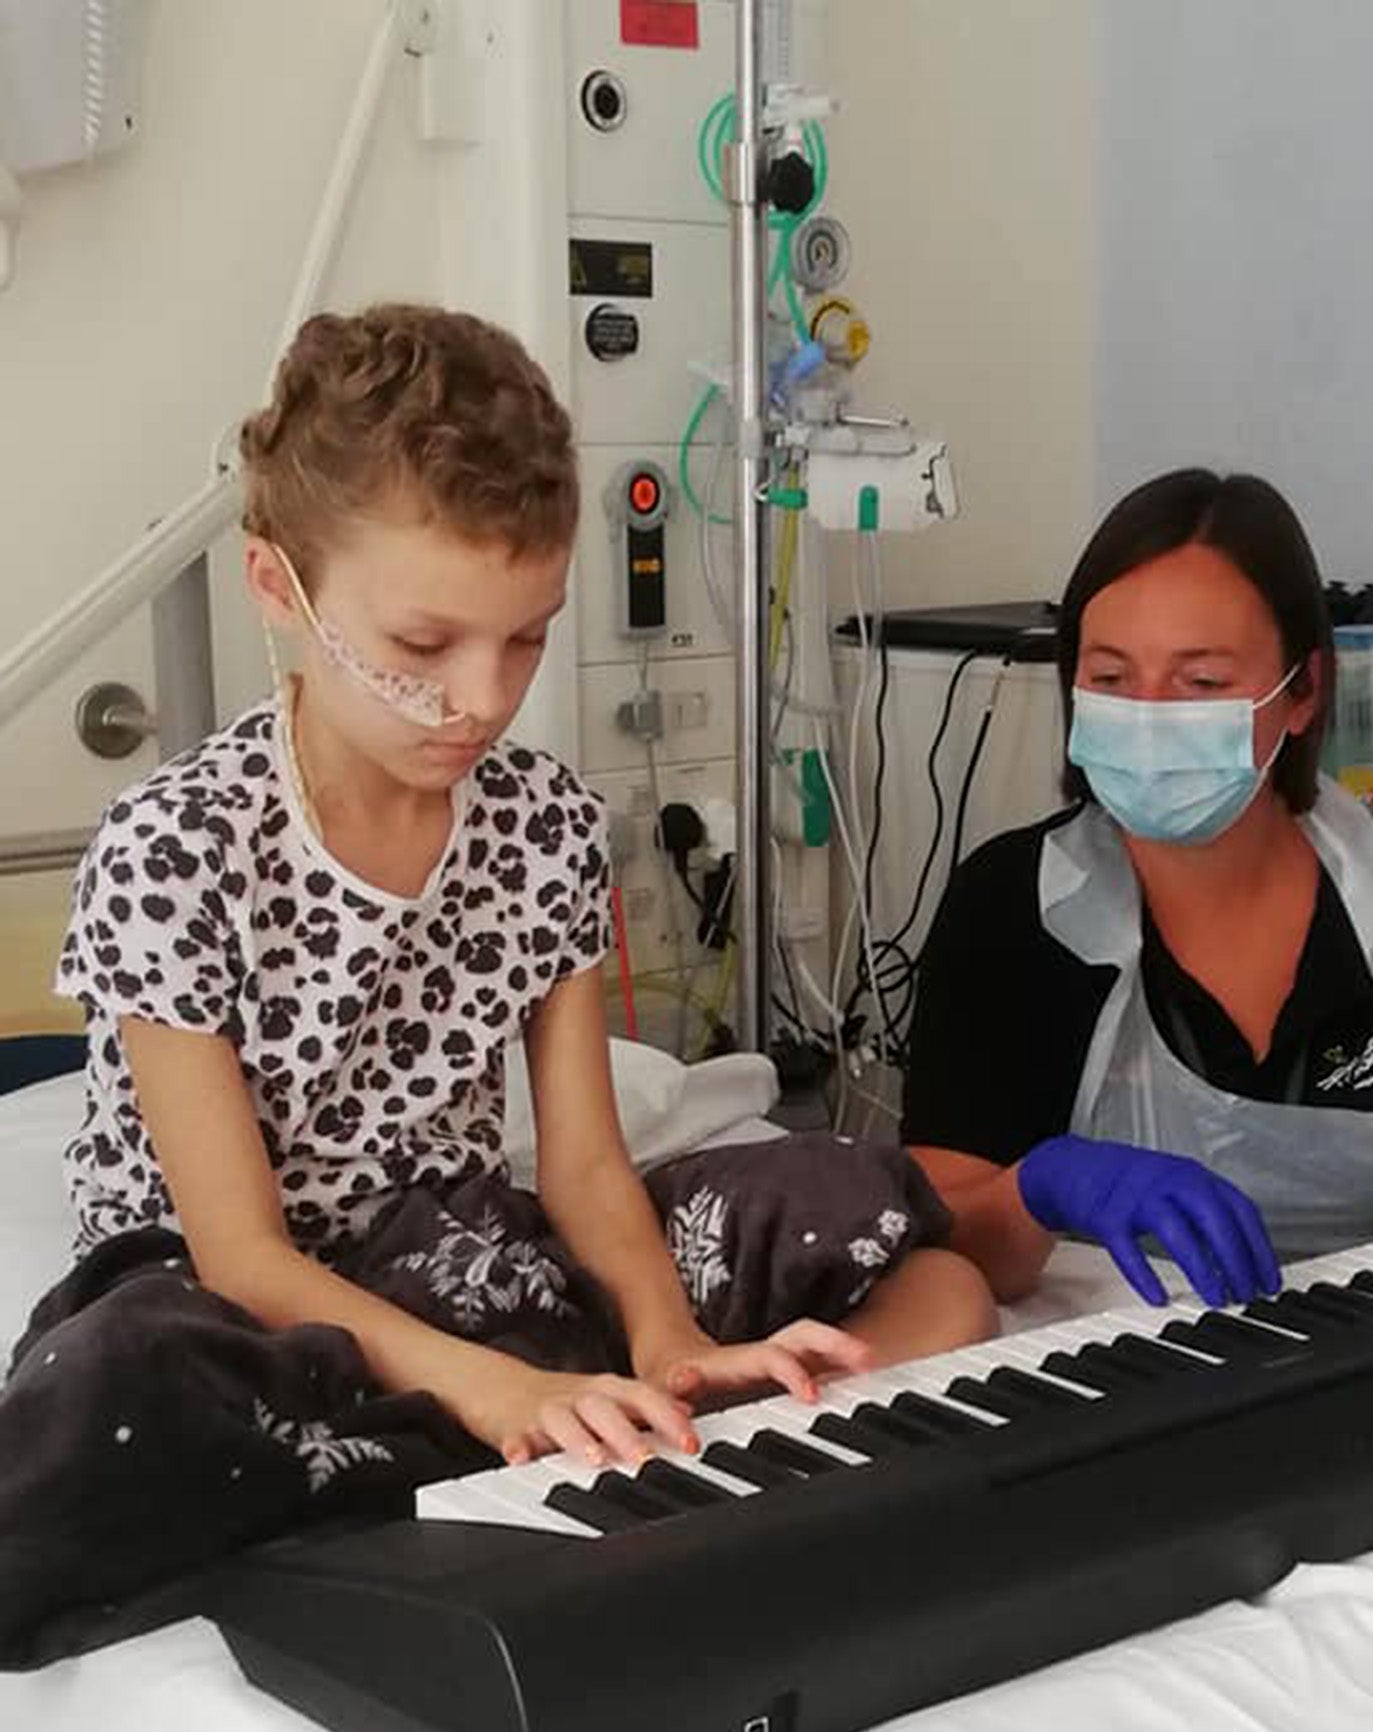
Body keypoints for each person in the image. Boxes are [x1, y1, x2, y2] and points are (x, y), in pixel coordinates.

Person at [0, 304, 996, 1661]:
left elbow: (585, 1169)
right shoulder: (176, 847)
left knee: (876, 1223)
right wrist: (500, 1392)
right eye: (424, 649)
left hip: (461, 1252)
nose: (481, 700)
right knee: (111, 1401)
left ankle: (611, 1420)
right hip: (241, 1306)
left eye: (525, 639)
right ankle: (501, 1432)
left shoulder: (541, 824)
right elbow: (240, 1251)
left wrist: (664, 1334)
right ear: (279, 590)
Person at [902, 467, 1373, 1310]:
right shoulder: (1013, 908)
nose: (1151, 714)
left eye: (1201, 684)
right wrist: (1039, 1189)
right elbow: (932, 1252)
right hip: (1094, 1385)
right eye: (1113, 678)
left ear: (1302, 691)